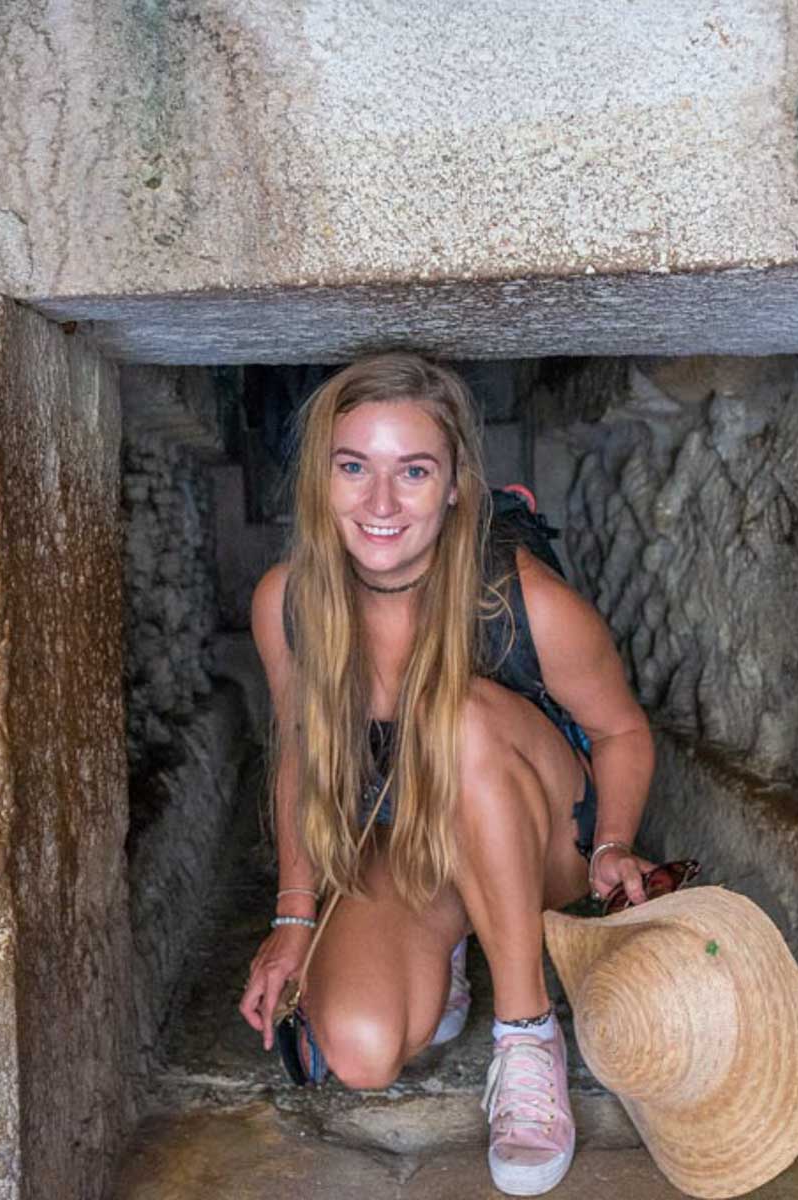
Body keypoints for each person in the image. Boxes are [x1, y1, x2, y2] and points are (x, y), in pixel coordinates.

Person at [239, 353, 655, 1196]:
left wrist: (613, 842)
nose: (381, 503)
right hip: (412, 840)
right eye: (353, 467)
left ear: (458, 482)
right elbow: (295, 752)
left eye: (414, 471)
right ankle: (453, 938)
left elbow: (621, 730)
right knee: (357, 1052)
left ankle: (527, 1032)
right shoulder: (288, 603)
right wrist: (294, 913)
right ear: (319, 477)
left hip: (540, 836)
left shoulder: (523, 598)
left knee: (453, 717)